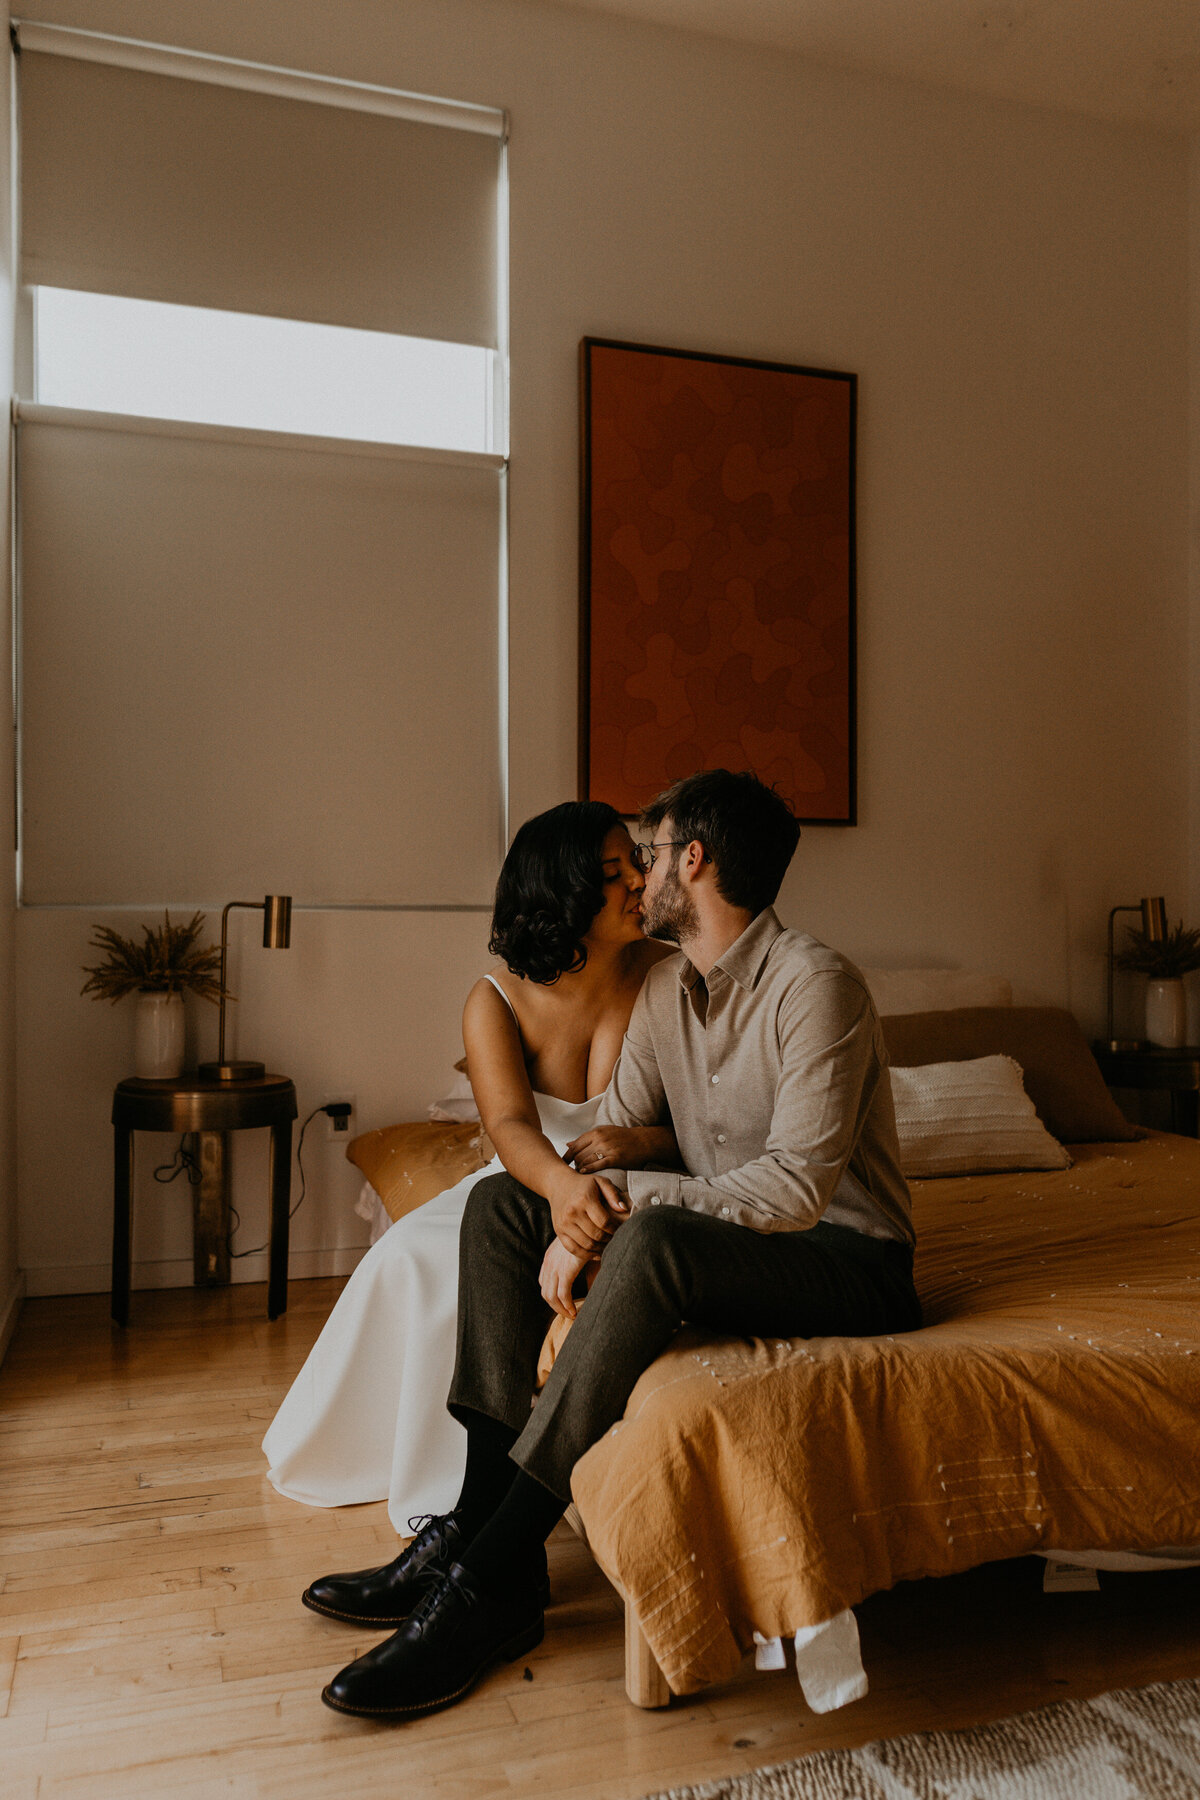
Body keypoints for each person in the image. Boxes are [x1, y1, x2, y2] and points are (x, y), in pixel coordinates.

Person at [313, 769, 922, 1720]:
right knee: (500, 1211)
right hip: (736, 1238)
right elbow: (618, 1134)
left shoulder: (817, 986)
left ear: (695, 860)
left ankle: (488, 1575)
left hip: (848, 1262)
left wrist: (620, 1206)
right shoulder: (670, 991)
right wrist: (575, 1205)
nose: (638, 876)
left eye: (649, 853)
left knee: (654, 1241)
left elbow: (798, 1189)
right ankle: (482, 1523)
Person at [263, 801, 676, 1550]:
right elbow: (511, 1127)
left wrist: (640, 1144)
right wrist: (558, 1188)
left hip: (634, 1182)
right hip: (525, 1178)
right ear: (567, 890)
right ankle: (446, 1497)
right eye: (616, 873)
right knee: (417, 1259)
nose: (640, 883)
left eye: (638, 864)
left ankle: (492, 1506)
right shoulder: (496, 999)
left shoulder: (667, 973)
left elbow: (701, 1118)